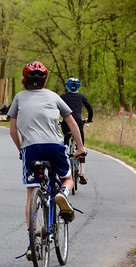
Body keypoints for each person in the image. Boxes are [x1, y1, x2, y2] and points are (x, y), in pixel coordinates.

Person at [7, 61, 86, 258]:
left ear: (25, 80)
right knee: (67, 178)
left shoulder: (18, 98)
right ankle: (64, 194)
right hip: (55, 145)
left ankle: (31, 241)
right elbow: (71, 121)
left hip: (31, 149)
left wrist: (22, 150)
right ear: (45, 80)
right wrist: (81, 148)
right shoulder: (53, 96)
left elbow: (13, 130)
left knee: (31, 192)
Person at [60, 77, 93, 185]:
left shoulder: (63, 97)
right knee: (81, 146)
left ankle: (65, 169)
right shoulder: (81, 97)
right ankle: (82, 172)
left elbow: (55, 109)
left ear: (67, 86)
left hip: (65, 122)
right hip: (78, 122)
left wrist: (58, 120)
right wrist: (89, 119)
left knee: (66, 141)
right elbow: (90, 110)